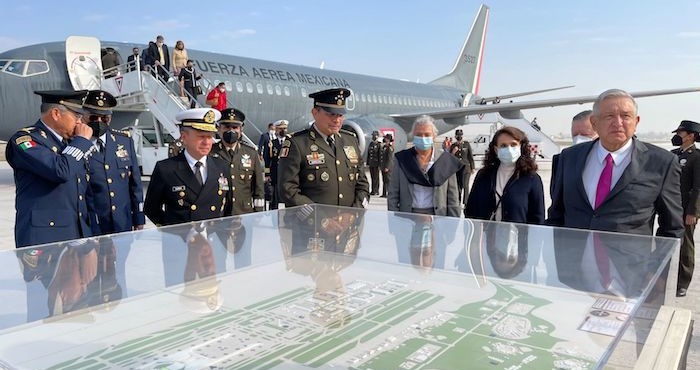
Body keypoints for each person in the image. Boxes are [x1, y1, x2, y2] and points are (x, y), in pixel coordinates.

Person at [547, 89, 683, 238]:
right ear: (594, 122)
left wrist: (656, 261)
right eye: (609, 116)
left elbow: (672, 228)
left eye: (626, 116)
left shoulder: (661, 162)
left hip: (629, 260)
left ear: (636, 122)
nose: (618, 123)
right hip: (572, 257)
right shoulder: (569, 158)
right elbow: (556, 216)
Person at [6, 90, 96, 248]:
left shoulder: (69, 143)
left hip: (77, 234)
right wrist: (82, 141)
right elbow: (60, 171)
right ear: (56, 113)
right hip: (44, 237)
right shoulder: (26, 140)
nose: (80, 122)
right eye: (76, 116)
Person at [278, 88, 369, 207]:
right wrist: (319, 217)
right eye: (331, 114)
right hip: (312, 223)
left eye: (340, 115)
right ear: (315, 113)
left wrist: (354, 213)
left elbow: (362, 185)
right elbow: (288, 189)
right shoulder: (298, 143)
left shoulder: (350, 141)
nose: (337, 120)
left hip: (349, 223)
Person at [144, 108, 233, 226]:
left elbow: (229, 207)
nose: (207, 142)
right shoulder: (166, 169)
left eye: (210, 136)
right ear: (184, 137)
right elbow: (151, 208)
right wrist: (174, 230)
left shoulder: (222, 166)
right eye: (201, 136)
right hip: (180, 240)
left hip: (212, 239)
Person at [82, 90, 145, 234]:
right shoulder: (75, 144)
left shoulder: (124, 141)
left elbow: (135, 184)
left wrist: (139, 217)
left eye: (104, 119)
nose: (98, 122)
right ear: (83, 116)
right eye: (93, 118)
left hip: (122, 223)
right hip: (92, 225)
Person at [465, 126, 545, 224]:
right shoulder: (483, 175)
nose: (509, 149)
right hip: (486, 237)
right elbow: (471, 210)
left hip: (517, 238)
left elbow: (537, 218)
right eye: (503, 146)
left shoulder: (531, 179)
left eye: (513, 144)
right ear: (495, 149)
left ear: (521, 147)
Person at [388, 115, 462, 216]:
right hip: (408, 217)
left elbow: (453, 199)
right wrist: (395, 220)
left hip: (437, 218)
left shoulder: (446, 161)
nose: (423, 138)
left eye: (427, 135)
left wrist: (451, 225)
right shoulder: (402, 159)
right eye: (419, 134)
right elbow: (393, 194)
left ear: (434, 136)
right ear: (413, 135)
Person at [210, 108, 265, 214]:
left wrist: (258, 212)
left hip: (244, 211)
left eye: (235, 127)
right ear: (219, 129)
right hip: (218, 213)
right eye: (226, 127)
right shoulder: (211, 152)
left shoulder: (251, 153)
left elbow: (258, 186)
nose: (231, 131)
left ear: (241, 130)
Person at [670, 120, 700, 297]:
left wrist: (693, 212)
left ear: (690, 135)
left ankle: (683, 283)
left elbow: (698, 187)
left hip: (685, 208)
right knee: (665, 241)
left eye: (680, 133)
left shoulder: (697, 157)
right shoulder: (672, 154)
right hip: (670, 207)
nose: (676, 136)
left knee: (685, 244)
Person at [551, 110, 598, 195]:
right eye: (575, 135)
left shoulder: (611, 161)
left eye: (585, 135)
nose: (578, 139)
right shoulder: (561, 160)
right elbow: (556, 200)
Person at [449, 128, 475, 205]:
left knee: (466, 185)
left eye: (460, 135)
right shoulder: (453, 146)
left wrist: (473, 167)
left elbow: (470, 156)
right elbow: (449, 157)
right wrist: (453, 152)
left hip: (466, 168)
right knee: (459, 186)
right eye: (457, 135)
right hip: (457, 169)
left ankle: (466, 202)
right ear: (455, 136)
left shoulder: (466, 144)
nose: (459, 136)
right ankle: (458, 201)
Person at [269, 119, 289, 209]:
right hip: (275, 173)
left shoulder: (290, 143)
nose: (283, 131)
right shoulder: (272, 143)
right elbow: (268, 159)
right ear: (276, 130)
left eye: (284, 128)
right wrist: (267, 174)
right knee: (274, 197)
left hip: (287, 174)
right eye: (281, 129)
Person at [258, 122, 276, 208]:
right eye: (272, 128)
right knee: (267, 167)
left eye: (274, 128)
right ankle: (267, 176)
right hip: (267, 156)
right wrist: (260, 154)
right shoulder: (264, 136)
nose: (273, 130)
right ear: (269, 128)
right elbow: (260, 145)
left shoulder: (275, 136)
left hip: (274, 156)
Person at [366, 130, 382, 195]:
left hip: (376, 163)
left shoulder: (378, 144)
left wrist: (380, 164)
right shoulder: (371, 144)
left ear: (377, 136)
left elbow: (380, 155)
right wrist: (368, 163)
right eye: (373, 135)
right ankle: (373, 190)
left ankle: (376, 190)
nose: (373, 137)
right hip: (371, 163)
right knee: (372, 177)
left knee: (376, 177)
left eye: (374, 135)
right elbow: (369, 154)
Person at [380, 133, 394, 198]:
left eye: (386, 138)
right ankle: (384, 193)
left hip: (387, 167)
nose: (384, 139)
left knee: (388, 180)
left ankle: (390, 193)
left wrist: (387, 167)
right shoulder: (384, 147)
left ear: (388, 139)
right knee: (384, 180)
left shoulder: (390, 148)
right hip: (383, 166)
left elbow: (389, 159)